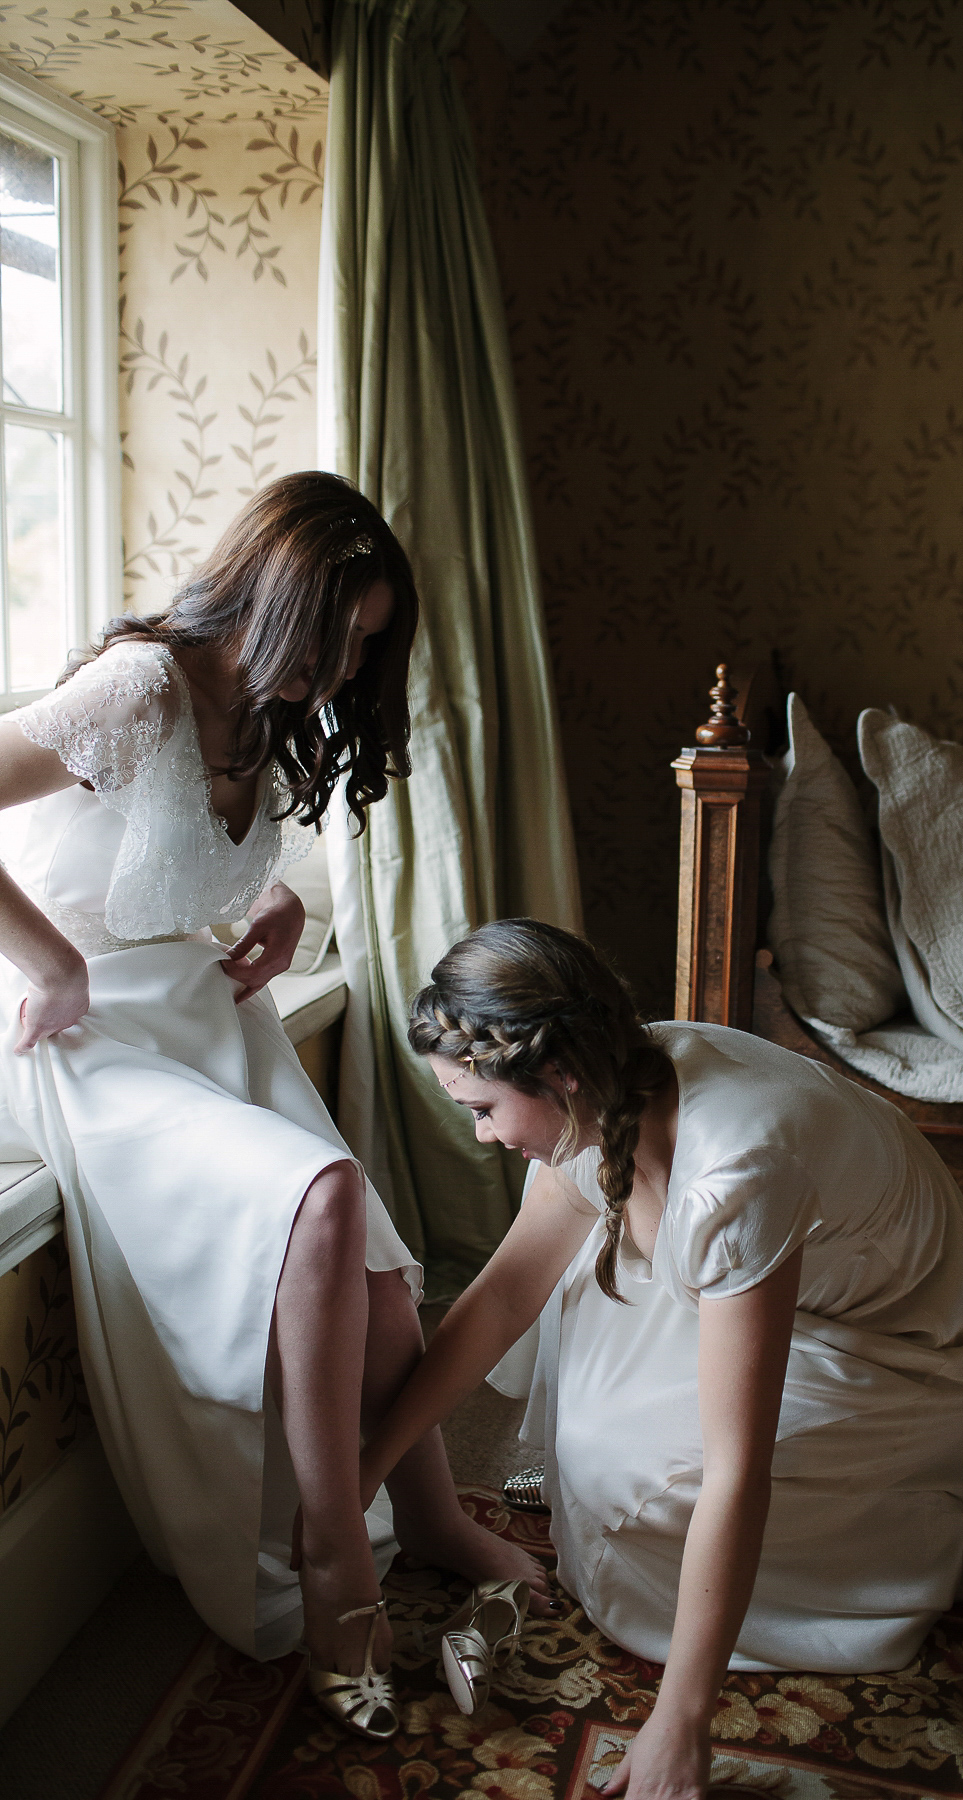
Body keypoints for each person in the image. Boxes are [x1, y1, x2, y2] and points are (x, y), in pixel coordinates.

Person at [0, 474, 547, 1740]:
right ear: (269, 591)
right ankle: (330, 1554)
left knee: (384, 1282)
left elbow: (184, 858)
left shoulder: (263, 711)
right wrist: (49, 963)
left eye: (366, 645)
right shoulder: (140, 686)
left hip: (202, 1010)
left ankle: (429, 1515)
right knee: (327, 1191)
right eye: (335, 634)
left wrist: (272, 905)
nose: (345, 667)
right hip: (85, 1034)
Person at [357, 917, 963, 1796]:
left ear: (556, 1073)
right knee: (569, 1318)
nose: (482, 1135)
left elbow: (735, 1469)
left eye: (481, 1110)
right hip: (779, 1284)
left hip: (902, 1345)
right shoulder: (609, 1087)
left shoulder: (734, 1171)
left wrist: (680, 1722)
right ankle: (578, 1482)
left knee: (630, 1483)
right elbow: (504, 1296)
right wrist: (368, 1470)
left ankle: (888, 1546)